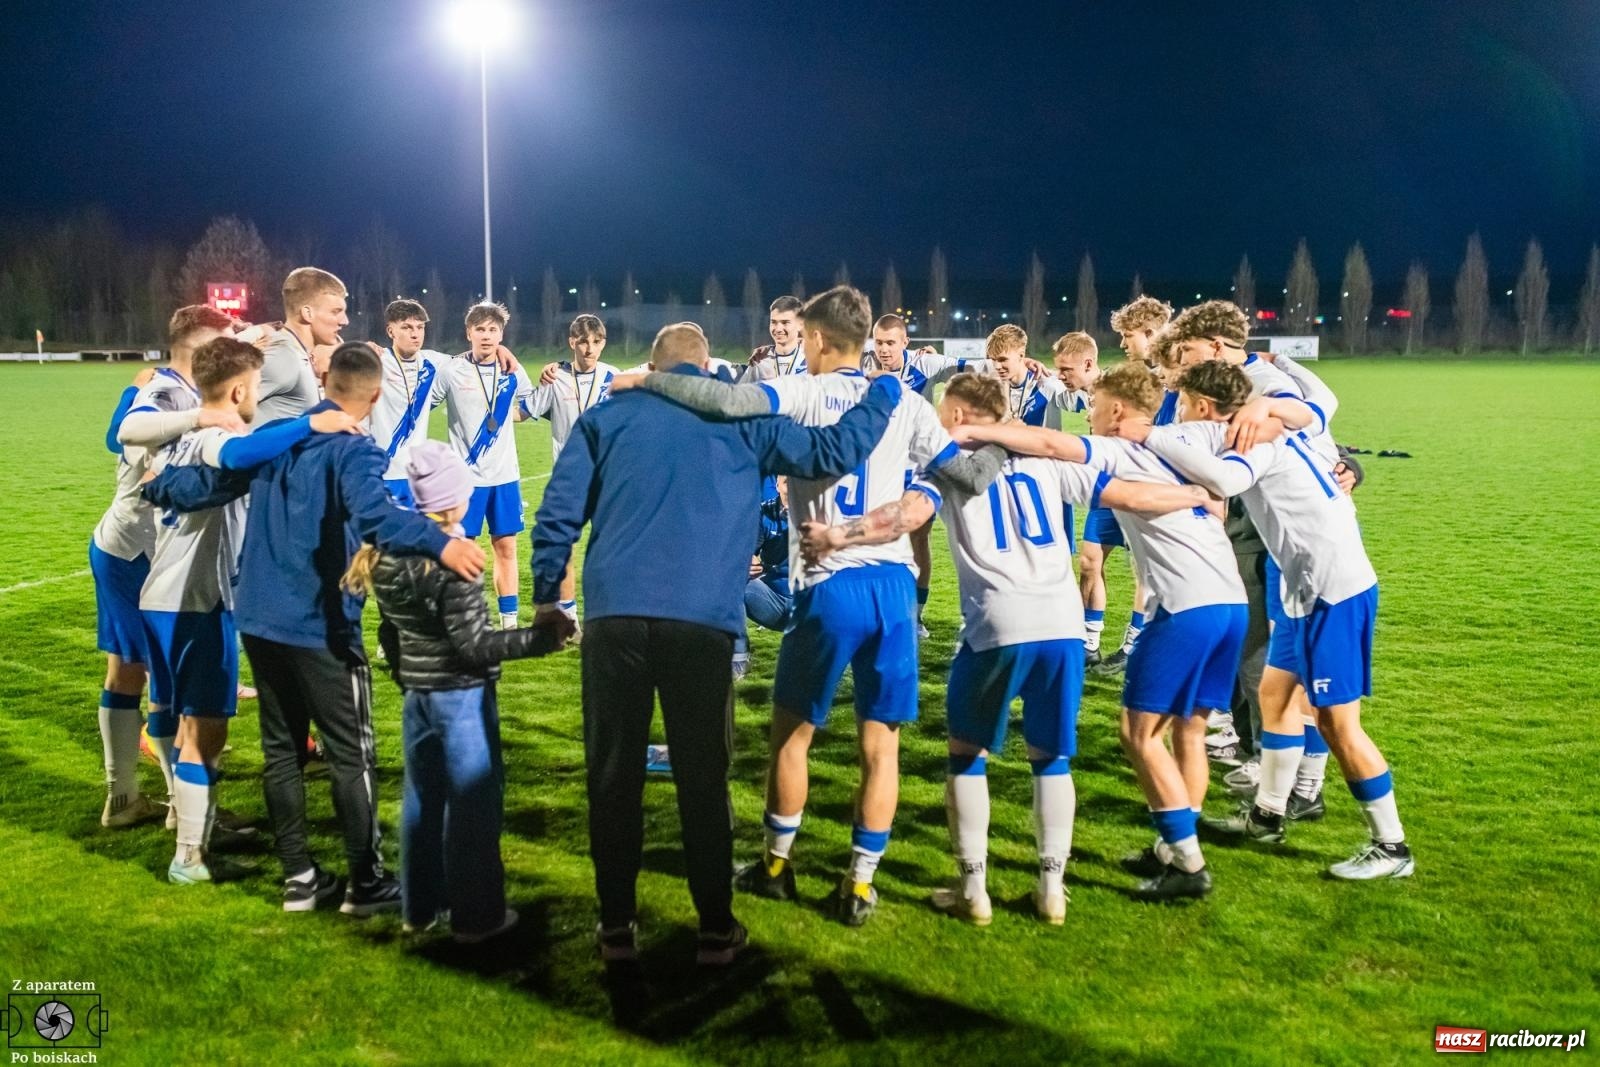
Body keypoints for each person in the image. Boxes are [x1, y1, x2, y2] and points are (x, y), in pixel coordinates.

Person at [620, 287, 1005, 926]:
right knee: (881, 747)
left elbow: (726, 402)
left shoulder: (801, 389)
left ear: (818, 338)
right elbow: (968, 476)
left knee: (791, 738)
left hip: (829, 582)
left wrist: (645, 380)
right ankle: (859, 885)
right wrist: (1007, 438)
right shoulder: (906, 400)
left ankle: (776, 868)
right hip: (895, 587)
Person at [533, 321, 906, 964]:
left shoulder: (608, 416)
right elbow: (832, 452)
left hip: (616, 617)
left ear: (652, 367)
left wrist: (549, 599)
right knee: (703, 778)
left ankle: (616, 927)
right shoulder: (741, 418)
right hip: (702, 620)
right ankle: (714, 929)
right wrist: (884, 394)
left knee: (613, 777)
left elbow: (558, 513)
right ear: (708, 371)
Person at [798, 373, 1208, 924]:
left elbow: (907, 517)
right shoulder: (1046, 459)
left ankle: (974, 891)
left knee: (967, 756)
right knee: (1051, 759)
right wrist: (1196, 495)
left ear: (959, 416)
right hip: (1063, 624)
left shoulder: (946, 465)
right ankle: (1052, 889)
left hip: (997, 622)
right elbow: (1131, 495)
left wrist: (839, 536)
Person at [144, 343, 488, 915]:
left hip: (259, 618)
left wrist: (158, 484)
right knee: (352, 755)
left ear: (325, 382)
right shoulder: (356, 451)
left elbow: (209, 484)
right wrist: (441, 543)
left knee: (282, 752)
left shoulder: (279, 438)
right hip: (317, 625)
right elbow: (377, 517)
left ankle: (299, 879)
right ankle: (366, 884)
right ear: (374, 396)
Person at [954, 362, 1250, 901]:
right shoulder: (1189, 441)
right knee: (1189, 731)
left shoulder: (1117, 447)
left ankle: (1188, 862)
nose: (1088, 415)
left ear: (1116, 410)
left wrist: (977, 430)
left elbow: (1052, 443)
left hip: (1184, 605)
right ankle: (1173, 845)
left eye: (1093, 406)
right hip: (1231, 601)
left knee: (1139, 735)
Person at [1126, 359, 1414, 880]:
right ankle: (1267, 816)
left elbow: (1224, 479)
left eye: (1185, 405)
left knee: (1337, 723)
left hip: (1332, 590)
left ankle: (1391, 846)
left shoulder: (1257, 438)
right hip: (1304, 588)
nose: (1180, 414)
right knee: (1275, 696)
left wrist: (1149, 435)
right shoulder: (1277, 422)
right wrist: (1283, 367)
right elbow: (1323, 400)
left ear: (1205, 407)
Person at [140, 337, 360, 884]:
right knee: (206, 732)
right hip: (198, 601)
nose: (258, 395)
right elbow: (237, 457)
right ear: (239, 390)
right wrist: (311, 424)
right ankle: (189, 858)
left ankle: (187, 823)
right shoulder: (220, 438)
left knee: (184, 723)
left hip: (160, 596)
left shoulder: (177, 438)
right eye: (257, 385)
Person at [345, 441, 571, 942]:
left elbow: (389, 633)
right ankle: (477, 916)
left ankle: (419, 908)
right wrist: (542, 639)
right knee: (473, 808)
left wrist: (408, 674)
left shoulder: (389, 554)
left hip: (418, 697)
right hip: (461, 697)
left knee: (421, 803)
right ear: (454, 498)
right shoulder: (456, 559)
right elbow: (474, 645)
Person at [94, 306, 239, 828]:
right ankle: (153, 803)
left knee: (151, 677)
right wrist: (202, 417)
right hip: (133, 552)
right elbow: (126, 431)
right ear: (200, 348)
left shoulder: (187, 387)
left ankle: (160, 805)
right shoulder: (166, 389)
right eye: (225, 341)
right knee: (143, 675)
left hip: (152, 551)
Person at [865, 313, 990, 637]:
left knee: (918, 537)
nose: (884, 349)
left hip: (919, 467)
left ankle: (916, 615)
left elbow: (977, 366)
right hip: (882, 469)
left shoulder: (925, 363)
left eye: (890, 343)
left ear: (905, 342)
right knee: (881, 537)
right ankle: (882, 611)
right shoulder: (865, 366)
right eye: (879, 342)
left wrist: (1026, 365)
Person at [1080, 296, 1174, 672]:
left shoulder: (1178, 379)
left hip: (1151, 488)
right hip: (1113, 480)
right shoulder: (1129, 376)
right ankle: (1088, 643)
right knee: (1089, 560)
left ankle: (1133, 644)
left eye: (1127, 335)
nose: (1121, 343)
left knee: (1144, 569)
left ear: (1150, 334)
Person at [525, 314, 623, 627]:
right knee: (565, 546)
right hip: (568, 479)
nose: (589, 348)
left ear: (603, 343)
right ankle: (570, 617)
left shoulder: (616, 378)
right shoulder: (555, 378)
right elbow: (522, 412)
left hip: (607, 478)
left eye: (596, 341)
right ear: (572, 342)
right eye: (583, 342)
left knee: (608, 547)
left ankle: (606, 615)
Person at [442, 302, 535, 630]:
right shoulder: (451, 370)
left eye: (493, 330)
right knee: (462, 551)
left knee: (506, 547)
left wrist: (506, 418)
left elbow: (528, 406)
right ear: (468, 333)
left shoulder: (513, 370)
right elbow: (424, 400)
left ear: (501, 334)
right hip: (464, 481)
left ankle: (509, 623)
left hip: (505, 476)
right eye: (480, 329)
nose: (486, 335)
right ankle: (464, 621)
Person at [370, 299, 454, 507]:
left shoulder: (433, 362)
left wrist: (500, 350)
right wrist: (358, 347)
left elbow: (471, 360)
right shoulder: (375, 360)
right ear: (390, 331)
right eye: (407, 327)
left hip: (415, 475)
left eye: (420, 327)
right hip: (379, 472)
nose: (415, 334)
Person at [732, 475, 792, 680]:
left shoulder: (820, 513)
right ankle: (739, 657)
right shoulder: (763, 513)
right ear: (777, 485)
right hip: (773, 600)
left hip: (810, 604)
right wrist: (745, 563)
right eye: (787, 482)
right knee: (731, 583)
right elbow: (742, 553)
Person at [740, 295, 808, 380]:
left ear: (800, 325)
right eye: (773, 322)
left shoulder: (810, 358)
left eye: (785, 322)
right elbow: (743, 388)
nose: (778, 329)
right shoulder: (760, 360)